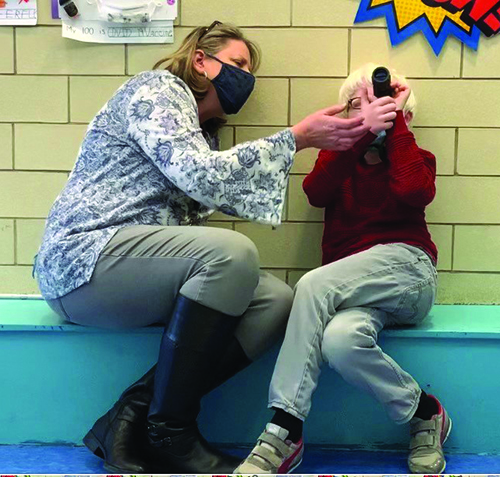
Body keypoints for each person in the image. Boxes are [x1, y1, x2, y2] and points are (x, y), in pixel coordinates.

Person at [33, 22, 369, 473]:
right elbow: (199, 174)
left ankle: (132, 414)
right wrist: (297, 138)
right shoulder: (157, 90)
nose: (246, 77)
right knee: (230, 253)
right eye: (238, 64)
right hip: (84, 261)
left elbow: (208, 180)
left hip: (129, 271)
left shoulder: (199, 133)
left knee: (274, 300)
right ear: (200, 61)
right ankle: (172, 429)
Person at [234, 64, 451, 475]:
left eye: (382, 105)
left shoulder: (415, 157)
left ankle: (285, 428)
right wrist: (360, 134)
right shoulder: (338, 158)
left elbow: (414, 191)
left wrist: (395, 127)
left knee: (312, 284)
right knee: (340, 342)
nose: (372, 112)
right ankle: (425, 413)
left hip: (408, 273)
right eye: (360, 105)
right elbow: (315, 193)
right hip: (351, 289)